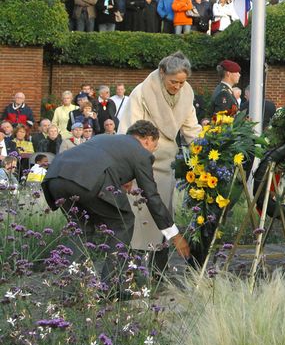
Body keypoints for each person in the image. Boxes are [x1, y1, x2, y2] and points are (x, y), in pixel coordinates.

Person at [42, 120, 191, 286]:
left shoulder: (106, 139)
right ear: (147, 139)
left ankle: (69, 288)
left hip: (55, 177)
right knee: (123, 221)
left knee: (81, 229)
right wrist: (174, 235)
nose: (152, 151)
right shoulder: (141, 152)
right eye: (153, 146)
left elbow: (99, 161)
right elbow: (151, 196)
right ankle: (112, 286)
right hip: (87, 181)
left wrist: (122, 177)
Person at [117, 51, 201, 255]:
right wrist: (126, 171)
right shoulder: (142, 92)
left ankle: (158, 270)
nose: (178, 87)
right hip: (140, 165)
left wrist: (204, 149)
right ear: (162, 72)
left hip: (167, 164)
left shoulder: (187, 93)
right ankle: (135, 269)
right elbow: (128, 131)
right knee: (142, 220)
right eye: (174, 82)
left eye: (182, 83)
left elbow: (191, 130)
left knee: (163, 217)